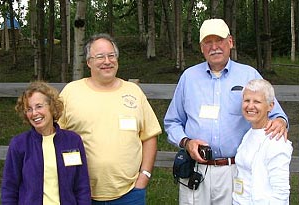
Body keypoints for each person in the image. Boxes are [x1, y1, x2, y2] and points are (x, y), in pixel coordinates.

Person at [164, 18, 289, 205]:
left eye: (219, 40)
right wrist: (186, 142)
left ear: (230, 41)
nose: (214, 47)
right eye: (208, 42)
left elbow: (276, 112)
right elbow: (172, 122)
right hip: (195, 169)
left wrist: (280, 121)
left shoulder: (249, 75)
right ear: (201, 47)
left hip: (234, 171)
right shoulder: (188, 78)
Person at [58, 33, 162, 205]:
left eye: (111, 55)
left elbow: (149, 135)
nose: (107, 61)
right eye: (100, 56)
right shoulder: (71, 92)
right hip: (80, 193)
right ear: (89, 62)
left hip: (130, 194)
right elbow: (53, 137)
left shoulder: (134, 92)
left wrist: (144, 176)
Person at [1, 81, 91, 205]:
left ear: (51, 106)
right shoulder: (19, 144)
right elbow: (9, 189)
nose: (34, 113)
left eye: (39, 106)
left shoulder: (73, 141)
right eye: (29, 109)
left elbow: (82, 186)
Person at [232, 79, 292, 204]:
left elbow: (281, 192)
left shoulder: (275, 141)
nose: (250, 106)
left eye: (257, 102)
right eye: (247, 100)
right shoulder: (249, 134)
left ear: (270, 106)